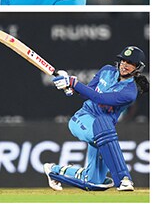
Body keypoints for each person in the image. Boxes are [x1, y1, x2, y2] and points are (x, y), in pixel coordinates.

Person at [45, 46, 149, 191]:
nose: (124, 65)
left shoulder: (129, 92)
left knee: (94, 181)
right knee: (105, 129)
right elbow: (87, 93)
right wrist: (70, 86)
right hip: (83, 119)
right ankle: (124, 179)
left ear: (137, 68)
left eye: (130, 63)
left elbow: (100, 98)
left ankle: (54, 170)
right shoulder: (106, 70)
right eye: (123, 60)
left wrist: (73, 82)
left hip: (104, 131)